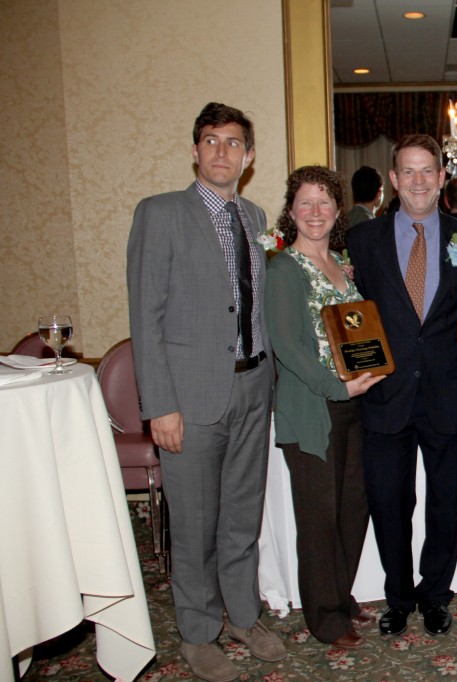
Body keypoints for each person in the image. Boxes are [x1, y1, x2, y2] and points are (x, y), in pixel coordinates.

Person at [127, 102, 285, 682]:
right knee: (193, 522)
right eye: (212, 141)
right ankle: (197, 632)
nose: (223, 152)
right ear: (195, 150)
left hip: (251, 388)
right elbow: (146, 317)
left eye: (234, 143)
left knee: (242, 515)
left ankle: (243, 613)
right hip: (189, 399)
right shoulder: (160, 214)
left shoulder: (256, 215)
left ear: (249, 157)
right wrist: (159, 405)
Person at [346, 134, 457, 637]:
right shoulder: (360, 241)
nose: (418, 181)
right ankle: (398, 597)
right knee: (389, 504)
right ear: (392, 180)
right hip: (385, 397)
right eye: (407, 172)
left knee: (443, 503)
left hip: (449, 396)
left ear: (442, 177)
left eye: (427, 170)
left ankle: (435, 595)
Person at [265, 166, 385, 650]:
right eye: (305, 203)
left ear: (338, 210)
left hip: (355, 406)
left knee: (352, 509)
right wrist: (339, 389)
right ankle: (324, 616)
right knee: (318, 517)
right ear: (291, 211)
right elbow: (287, 347)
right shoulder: (283, 268)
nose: (315, 212)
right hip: (314, 407)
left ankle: (338, 592)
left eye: (325, 202)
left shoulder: (343, 261)